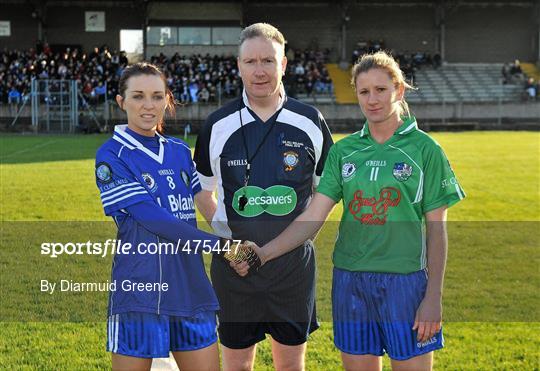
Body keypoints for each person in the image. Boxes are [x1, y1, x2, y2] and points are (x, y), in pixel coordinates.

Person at [234, 51, 465, 371]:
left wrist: (433, 298)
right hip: (350, 282)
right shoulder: (344, 151)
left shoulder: (425, 150)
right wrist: (263, 253)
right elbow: (312, 216)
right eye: (364, 91)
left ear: (398, 90)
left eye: (381, 90)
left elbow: (437, 231)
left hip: (406, 284)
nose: (372, 99)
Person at [193, 23, 333, 371]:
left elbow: (325, 197)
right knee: (237, 365)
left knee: (290, 365)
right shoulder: (217, 124)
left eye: (268, 61)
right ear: (238, 65)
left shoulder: (310, 121)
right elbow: (202, 191)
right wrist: (229, 243)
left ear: (283, 65)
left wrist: (286, 245)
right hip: (234, 269)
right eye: (251, 61)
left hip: (292, 269)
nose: (260, 71)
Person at [94, 62, 224, 371]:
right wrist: (221, 247)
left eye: (157, 96)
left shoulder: (179, 151)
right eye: (138, 96)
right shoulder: (111, 155)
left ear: (167, 99)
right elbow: (153, 219)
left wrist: (239, 239)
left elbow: (204, 199)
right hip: (141, 290)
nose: (148, 105)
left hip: (190, 286)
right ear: (121, 101)